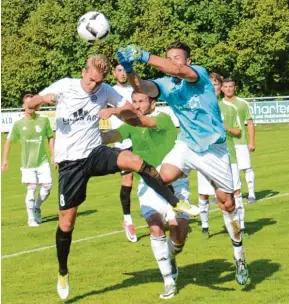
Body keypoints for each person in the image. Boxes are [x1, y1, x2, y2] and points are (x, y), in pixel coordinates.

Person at [27, 55, 198, 300]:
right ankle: (63, 271)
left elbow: (129, 111)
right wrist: (41, 99)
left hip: (95, 153)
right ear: (83, 71)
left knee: (134, 161)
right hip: (70, 164)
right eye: (91, 80)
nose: (93, 86)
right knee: (67, 223)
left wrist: (116, 109)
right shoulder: (64, 86)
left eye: (98, 82)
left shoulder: (105, 90)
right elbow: (31, 104)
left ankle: (175, 201)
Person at [117, 41, 249, 285]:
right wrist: (130, 70)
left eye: (178, 58)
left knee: (227, 204)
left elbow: (178, 70)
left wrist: (144, 55)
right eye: (169, 57)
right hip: (187, 145)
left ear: (188, 60)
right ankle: (168, 212)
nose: (173, 62)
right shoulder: (166, 84)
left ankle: (239, 256)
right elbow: (143, 87)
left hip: (214, 149)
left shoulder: (197, 74)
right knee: (158, 176)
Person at [103, 91, 190, 299]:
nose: (137, 105)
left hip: (174, 180)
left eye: (141, 101)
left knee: (179, 235)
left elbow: (142, 121)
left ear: (152, 102)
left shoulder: (163, 118)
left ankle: (170, 255)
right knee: (154, 225)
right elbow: (110, 136)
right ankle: (168, 281)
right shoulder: (130, 126)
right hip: (149, 183)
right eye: (133, 101)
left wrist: (115, 110)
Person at [197, 73, 246, 237]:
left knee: (236, 193)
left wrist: (226, 129)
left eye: (216, 85)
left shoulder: (229, 108)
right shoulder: (199, 108)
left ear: (221, 87)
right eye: (209, 85)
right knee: (203, 194)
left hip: (228, 156)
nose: (213, 88)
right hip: (204, 157)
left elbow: (239, 132)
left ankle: (241, 227)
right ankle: (205, 228)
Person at [2, 94, 55, 227]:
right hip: (27, 163)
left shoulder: (44, 121)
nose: (31, 107)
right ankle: (31, 218)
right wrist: (5, 160)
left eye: (33, 104)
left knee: (47, 187)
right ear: (23, 106)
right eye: (28, 104)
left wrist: (53, 154)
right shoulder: (18, 124)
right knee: (31, 190)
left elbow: (50, 137)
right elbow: (9, 141)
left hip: (42, 161)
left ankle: (36, 207)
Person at [112, 64, 136, 242]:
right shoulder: (109, 92)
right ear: (114, 74)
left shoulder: (137, 88)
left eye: (124, 70)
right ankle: (127, 219)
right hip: (123, 141)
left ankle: (163, 211)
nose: (122, 74)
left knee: (154, 174)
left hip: (142, 139)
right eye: (119, 70)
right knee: (127, 180)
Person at [222, 79, 256, 203]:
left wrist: (251, 142)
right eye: (225, 86)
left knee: (246, 168)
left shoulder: (243, 103)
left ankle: (251, 194)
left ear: (234, 88)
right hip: (226, 144)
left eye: (230, 86)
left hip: (241, 141)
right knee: (229, 170)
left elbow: (250, 123)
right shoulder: (219, 105)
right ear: (222, 89)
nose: (228, 89)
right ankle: (235, 194)